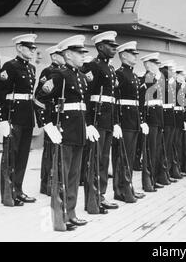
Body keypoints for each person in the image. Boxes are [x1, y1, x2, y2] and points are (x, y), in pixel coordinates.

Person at [35, 35, 89, 230]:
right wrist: (48, 125)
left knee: (74, 176)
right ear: (67, 54)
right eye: (79, 52)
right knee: (62, 176)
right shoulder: (59, 75)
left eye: (83, 52)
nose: (83, 56)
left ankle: (71, 212)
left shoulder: (81, 76)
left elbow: (84, 106)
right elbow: (40, 99)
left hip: (78, 132)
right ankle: (59, 218)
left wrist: (88, 126)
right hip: (64, 131)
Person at [0, 34, 38, 206]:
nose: (33, 50)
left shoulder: (31, 68)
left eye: (33, 48)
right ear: (20, 48)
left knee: (22, 157)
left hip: (27, 116)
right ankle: (8, 194)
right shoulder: (10, 66)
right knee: (10, 156)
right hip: (13, 116)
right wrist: (2, 119)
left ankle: (18, 190)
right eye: (29, 47)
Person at [82, 31, 121, 210]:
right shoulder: (93, 66)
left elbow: (112, 99)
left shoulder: (111, 69)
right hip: (96, 121)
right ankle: (92, 198)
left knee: (104, 160)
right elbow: (86, 96)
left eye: (114, 45)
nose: (114, 48)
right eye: (110, 45)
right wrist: (88, 123)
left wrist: (115, 122)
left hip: (107, 120)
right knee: (94, 160)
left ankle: (101, 195)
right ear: (99, 47)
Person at [113, 41, 147, 202]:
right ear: (124, 55)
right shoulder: (119, 74)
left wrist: (140, 120)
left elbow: (137, 101)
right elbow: (115, 99)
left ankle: (128, 186)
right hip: (124, 119)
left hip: (133, 119)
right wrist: (116, 122)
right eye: (132, 54)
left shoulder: (133, 75)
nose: (135, 56)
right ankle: (120, 190)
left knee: (130, 156)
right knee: (122, 156)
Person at [36, 44, 66, 196]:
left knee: (58, 151)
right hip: (51, 117)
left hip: (62, 116)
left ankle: (56, 182)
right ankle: (46, 184)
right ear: (54, 56)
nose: (64, 56)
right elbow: (39, 97)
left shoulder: (64, 72)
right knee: (49, 152)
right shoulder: (48, 71)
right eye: (61, 54)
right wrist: (45, 122)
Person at [139, 52, 169, 190]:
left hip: (157, 117)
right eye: (154, 64)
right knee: (150, 151)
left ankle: (155, 178)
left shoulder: (157, 79)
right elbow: (141, 102)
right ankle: (148, 181)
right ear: (147, 65)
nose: (157, 66)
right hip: (150, 118)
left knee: (156, 150)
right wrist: (142, 120)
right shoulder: (145, 79)